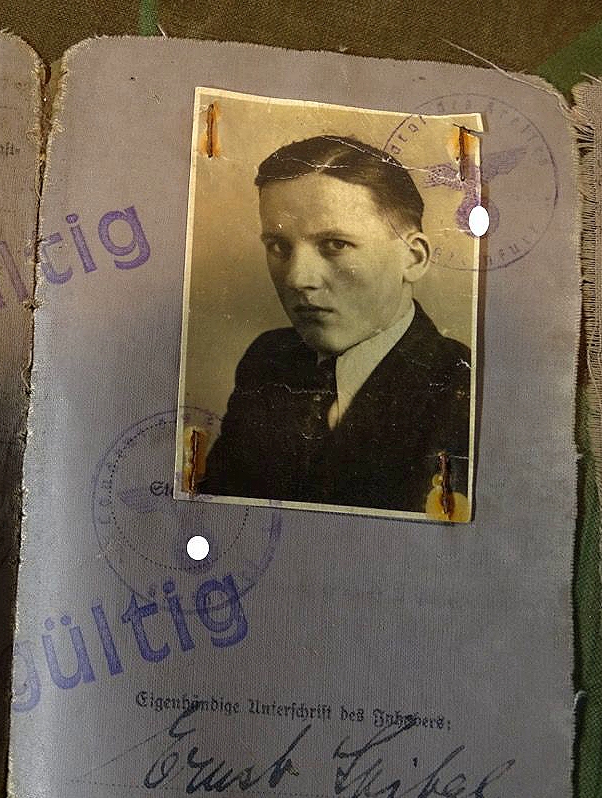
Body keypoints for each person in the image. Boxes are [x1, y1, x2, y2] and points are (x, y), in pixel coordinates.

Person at [197, 134, 471, 514]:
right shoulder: (267, 360)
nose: (297, 278)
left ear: (413, 258)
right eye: (278, 246)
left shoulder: (464, 390)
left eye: (335, 245)